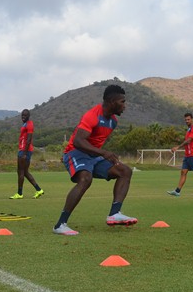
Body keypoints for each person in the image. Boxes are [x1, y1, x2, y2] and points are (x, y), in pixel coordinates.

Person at [53, 84, 137, 235]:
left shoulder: (113, 121)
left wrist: (102, 155)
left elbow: (96, 142)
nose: (125, 105)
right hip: (75, 153)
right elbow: (78, 141)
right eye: (122, 102)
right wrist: (104, 153)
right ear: (112, 102)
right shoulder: (92, 116)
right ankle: (60, 224)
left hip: (94, 156)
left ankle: (114, 214)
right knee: (85, 178)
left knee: (124, 171)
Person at [167, 112, 193, 197]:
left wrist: (178, 147)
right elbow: (188, 143)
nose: (187, 121)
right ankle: (177, 191)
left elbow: (189, 140)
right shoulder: (188, 130)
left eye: (188, 119)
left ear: (192, 119)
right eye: (185, 120)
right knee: (183, 172)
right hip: (187, 156)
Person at [9, 109, 44, 200]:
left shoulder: (29, 124)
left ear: (28, 116)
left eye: (24, 116)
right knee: (24, 172)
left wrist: (24, 153)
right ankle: (38, 190)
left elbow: (29, 140)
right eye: (22, 116)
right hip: (23, 149)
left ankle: (20, 193)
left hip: (25, 150)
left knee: (21, 171)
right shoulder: (25, 124)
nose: (23, 117)